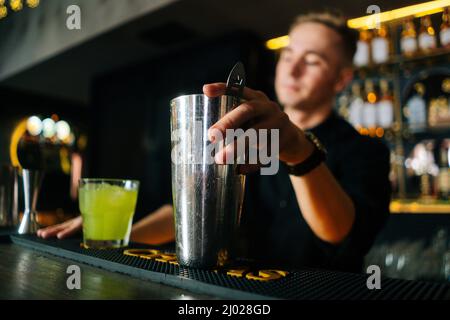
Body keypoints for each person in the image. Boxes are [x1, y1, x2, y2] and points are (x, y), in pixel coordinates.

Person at [38, 11, 391, 273]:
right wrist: (116, 232)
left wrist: (299, 152)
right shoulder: (253, 136)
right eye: (289, 54)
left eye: (312, 60)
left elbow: (342, 234)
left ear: (342, 79)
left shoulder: (364, 151)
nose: (293, 68)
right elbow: (195, 207)